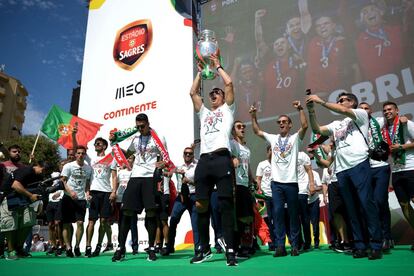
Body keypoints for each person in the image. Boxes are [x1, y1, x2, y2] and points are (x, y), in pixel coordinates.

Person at [306, 92, 383, 260]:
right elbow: (317, 130)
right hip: (341, 170)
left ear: (352, 102)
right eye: (339, 101)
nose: (340, 102)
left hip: (359, 164)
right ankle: (360, 245)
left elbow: (344, 111)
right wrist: (311, 112)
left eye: (343, 100)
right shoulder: (336, 124)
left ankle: (376, 244)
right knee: (351, 209)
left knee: (366, 203)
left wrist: (322, 101)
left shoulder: (360, 115)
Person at [189, 54, 237, 266]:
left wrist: (217, 67)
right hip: (204, 162)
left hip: (221, 158)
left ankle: (231, 250)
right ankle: (204, 249)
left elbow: (229, 83)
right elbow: (192, 92)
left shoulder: (228, 110)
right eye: (212, 94)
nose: (214, 95)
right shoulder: (204, 113)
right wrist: (200, 72)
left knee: (226, 205)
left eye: (217, 93)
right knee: (201, 205)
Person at [250, 100, 308, 257]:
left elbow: (304, 126)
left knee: (293, 215)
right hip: (276, 184)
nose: (281, 124)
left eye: (284, 122)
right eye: (279, 122)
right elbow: (257, 132)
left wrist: (301, 109)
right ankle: (280, 246)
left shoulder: (295, 138)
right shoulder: (273, 138)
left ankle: (295, 245)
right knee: (278, 214)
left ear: (290, 125)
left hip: (291, 183)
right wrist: (254, 117)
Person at [111, 113, 169, 262]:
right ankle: (121, 248)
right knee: (126, 211)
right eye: (137, 127)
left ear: (148, 124)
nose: (140, 129)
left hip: (150, 178)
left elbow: (165, 158)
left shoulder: (158, 137)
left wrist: (161, 164)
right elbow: (128, 153)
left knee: (150, 213)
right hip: (135, 177)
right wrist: (114, 144)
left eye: (142, 126)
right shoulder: (135, 138)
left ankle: (151, 248)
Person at [380, 101, 414, 251]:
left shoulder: (406, 123)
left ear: (397, 110)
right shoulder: (384, 129)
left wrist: (402, 146)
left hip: (411, 167)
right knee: (404, 204)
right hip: (396, 171)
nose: (387, 112)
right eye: (385, 110)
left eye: (390, 109)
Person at [358, 102, 393, 251]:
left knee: (380, 201)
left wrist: (402, 118)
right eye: (361, 109)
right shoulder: (356, 125)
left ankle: (386, 236)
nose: (364, 111)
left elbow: (392, 117)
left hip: (380, 167)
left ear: (370, 110)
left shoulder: (378, 121)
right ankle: (374, 237)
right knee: (368, 204)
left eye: (367, 108)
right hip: (365, 168)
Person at [0, 160, 48, 260]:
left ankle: (18, 248)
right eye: (43, 169)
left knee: (28, 222)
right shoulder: (26, 170)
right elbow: (15, 185)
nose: (44, 172)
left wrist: (40, 202)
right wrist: (30, 195)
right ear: (38, 165)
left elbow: (36, 190)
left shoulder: (39, 176)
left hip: (24, 200)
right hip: (8, 197)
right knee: (10, 225)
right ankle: (10, 250)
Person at [305, 15, 359, 93]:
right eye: (318, 26)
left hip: (342, 90)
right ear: (316, 30)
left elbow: (355, 68)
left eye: (326, 23)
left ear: (334, 25)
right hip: (319, 93)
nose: (322, 27)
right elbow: (310, 72)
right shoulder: (312, 43)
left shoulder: (343, 42)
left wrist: (357, 89)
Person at [85, 138, 118, 257]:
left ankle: (99, 246)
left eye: (98, 144)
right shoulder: (91, 159)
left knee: (104, 221)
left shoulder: (111, 158)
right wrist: (87, 192)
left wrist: (114, 191)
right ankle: (88, 246)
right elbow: (88, 178)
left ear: (104, 146)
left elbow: (114, 177)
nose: (96, 145)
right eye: (95, 144)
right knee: (91, 221)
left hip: (106, 192)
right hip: (94, 192)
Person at [355, 2, 404, 81]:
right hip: (382, 84)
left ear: (381, 12)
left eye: (372, 9)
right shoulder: (361, 41)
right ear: (362, 19)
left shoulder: (396, 29)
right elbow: (369, 67)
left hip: (404, 76)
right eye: (365, 12)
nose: (369, 13)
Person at [61, 145, 93, 258]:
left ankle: (77, 246)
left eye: (82, 153)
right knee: (66, 224)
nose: (80, 155)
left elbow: (87, 184)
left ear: (85, 155)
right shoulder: (68, 166)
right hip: (68, 198)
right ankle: (68, 247)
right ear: (75, 155)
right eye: (78, 153)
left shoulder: (89, 168)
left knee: (80, 223)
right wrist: (70, 192)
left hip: (81, 199)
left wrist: (88, 194)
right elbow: (63, 181)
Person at [167, 147, 199, 255]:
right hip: (181, 198)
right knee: (173, 221)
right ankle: (169, 247)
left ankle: (198, 248)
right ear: (183, 155)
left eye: (190, 154)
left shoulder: (197, 166)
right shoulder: (179, 167)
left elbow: (201, 183)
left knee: (195, 223)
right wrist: (172, 171)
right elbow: (169, 171)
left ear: (193, 155)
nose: (188, 155)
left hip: (193, 196)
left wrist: (189, 181)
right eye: (186, 153)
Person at [230, 121, 255, 258]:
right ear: (233, 131)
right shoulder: (232, 144)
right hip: (236, 184)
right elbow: (229, 158)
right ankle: (237, 246)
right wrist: (232, 158)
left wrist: (252, 179)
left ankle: (246, 244)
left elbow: (248, 166)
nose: (242, 128)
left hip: (245, 185)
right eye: (239, 127)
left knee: (247, 217)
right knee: (237, 217)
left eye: (243, 126)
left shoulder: (246, 149)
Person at [0, 144, 25, 258]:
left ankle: (15, 248)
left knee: (17, 225)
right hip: (4, 197)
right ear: (9, 153)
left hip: (18, 199)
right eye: (14, 151)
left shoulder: (23, 167)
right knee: (6, 223)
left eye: (19, 151)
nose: (17, 153)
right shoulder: (2, 165)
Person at [114, 154, 138, 254]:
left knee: (133, 224)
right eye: (127, 158)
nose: (128, 160)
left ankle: (135, 247)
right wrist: (114, 193)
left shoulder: (135, 172)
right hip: (120, 200)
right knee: (121, 224)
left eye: (131, 158)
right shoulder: (121, 172)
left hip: (132, 201)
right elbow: (117, 183)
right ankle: (121, 245)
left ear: (134, 161)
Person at [45, 160, 66, 256]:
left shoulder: (68, 174)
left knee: (58, 224)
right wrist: (34, 160)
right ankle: (53, 245)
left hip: (60, 201)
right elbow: (43, 170)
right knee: (50, 224)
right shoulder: (55, 174)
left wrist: (59, 193)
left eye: (64, 165)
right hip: (50, 201)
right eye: (61, 165)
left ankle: (61, 245)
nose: (63, 166)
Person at [256, 145, 275, 251]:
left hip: (277, 196)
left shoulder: (278, 164)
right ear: (267, 152)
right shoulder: (262, 164)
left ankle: (277, 241)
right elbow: (258, 179)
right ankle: (271, 241)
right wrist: (259, 193)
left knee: (276, 219)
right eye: (270, 150)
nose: (271, 152)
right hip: (265, 196)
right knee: (267, 220)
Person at [296, 151, 314, 251]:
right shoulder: (286, 154)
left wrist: (311, 184)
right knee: (294, 218)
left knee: (304, 218)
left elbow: (309, 170)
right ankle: (299, 242)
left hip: (302, 189)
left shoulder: (302, 155)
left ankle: (307, 242)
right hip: (291, 189)